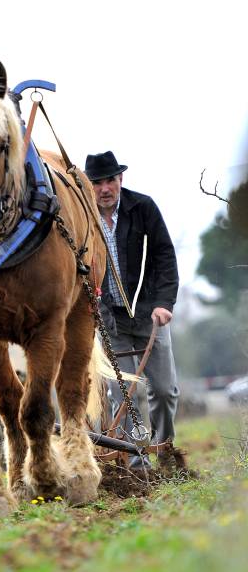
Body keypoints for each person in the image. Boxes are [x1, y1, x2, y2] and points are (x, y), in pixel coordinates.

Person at [85, 151, 180, 471]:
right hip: (110, 321)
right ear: (89, 186)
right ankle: (135, 463)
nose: (104, 189)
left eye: (109, 180)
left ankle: (165, 450)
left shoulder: (143, 208)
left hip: (150, 315)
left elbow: (165, 257)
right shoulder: (83, 218)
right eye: (96, 183)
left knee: (165, 391)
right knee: (122, 394)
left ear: (120, 180)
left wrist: (164, 304)